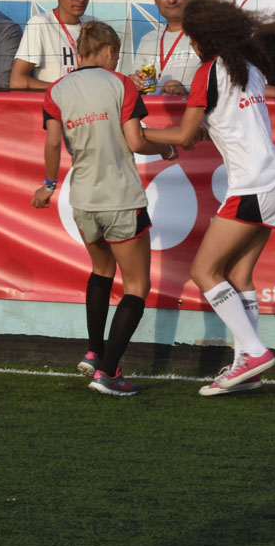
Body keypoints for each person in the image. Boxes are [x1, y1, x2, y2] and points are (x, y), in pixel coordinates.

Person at [144, 0, 275, 396]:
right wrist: (189, 137)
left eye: (192, 36)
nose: (190, 42)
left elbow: (183, 134)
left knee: (203, 272)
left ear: (204, 37)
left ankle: (255, 352)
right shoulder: (246, 67)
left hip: (252, 185)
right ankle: (248, 365)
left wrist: (136, 137)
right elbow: (221, 126)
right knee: (240, 275)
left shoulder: (207, 72)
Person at [31, 22, 188, 396]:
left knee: (101, 269)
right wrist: (166, 149)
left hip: (81, 199)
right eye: (115, 54)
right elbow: (135, 140)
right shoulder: (121, 84)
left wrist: (49, 185)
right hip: (121, 198)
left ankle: (94, 350)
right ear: (104, 51)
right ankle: (109, 371)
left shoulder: (56, 90)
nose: (116, 60)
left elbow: (53, 143)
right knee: (137, 286)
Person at [10, 0, 97, 90]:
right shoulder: (40, 24)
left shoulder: (95, 25)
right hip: (55, 106)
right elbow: (17, 81)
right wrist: (62, 90)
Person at [128, 0, 201, 96]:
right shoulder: (147, 39)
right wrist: (133, 84)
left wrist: (187, 94)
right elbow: (135, 92)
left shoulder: (206, 36)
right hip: (152, 115)